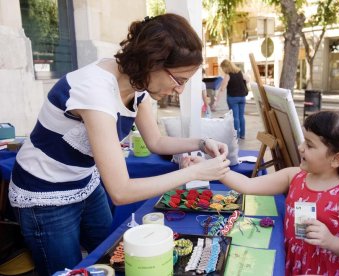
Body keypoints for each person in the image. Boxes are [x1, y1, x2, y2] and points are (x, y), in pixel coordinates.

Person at [8, 14, 230, 275]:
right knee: (69, 270)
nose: (179, 90)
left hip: (85, 183)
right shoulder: (95, 91)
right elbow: (121, 191)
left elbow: (156, 141)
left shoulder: (138, 84)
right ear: (152, 62)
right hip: (45, 195)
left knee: (114, 256)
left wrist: (201, 142)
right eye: (178, 80)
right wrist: (195, 172)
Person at [184, 111, 339, 275]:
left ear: (337, 159)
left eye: (310, 145)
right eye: (304, 141)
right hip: (293, 266)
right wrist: (208, 167)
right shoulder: (294, 176)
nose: (300, 147)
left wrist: (332, 242)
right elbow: (247, 185)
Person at [214, 59, 249, 139]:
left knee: (235, 117)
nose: (222, 70)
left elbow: (222, 88)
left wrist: (216, 101)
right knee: (241, 116)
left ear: (225, 67)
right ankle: (242, 134)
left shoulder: (228, 75)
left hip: (233, 98)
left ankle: (236, 135)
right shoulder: (240, 72)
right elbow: (247, 79)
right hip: (242, 97)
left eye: (222, 68)